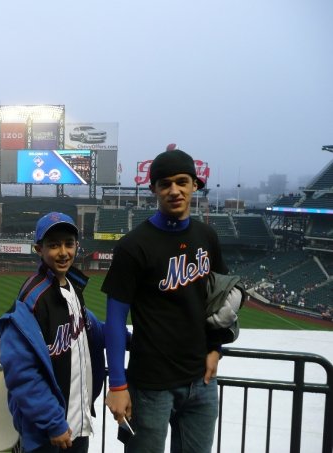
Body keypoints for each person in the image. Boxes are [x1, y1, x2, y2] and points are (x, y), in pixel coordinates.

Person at [102, 146, 228, 453]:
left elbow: (219, 301)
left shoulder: (207, 237)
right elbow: (115, 320)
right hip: (150, 385)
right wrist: (117, 385)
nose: (174, 190)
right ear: (153, 190)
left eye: (182, 181)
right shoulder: (133, 246)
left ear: (195, 185)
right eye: (165, 183)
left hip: (201, 381)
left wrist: (215, 349)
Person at [0, 212, 106, 453]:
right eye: (54, 245)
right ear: (39, 249)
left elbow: (90, 327)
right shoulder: (33, 297)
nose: (63, 252)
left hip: (77, 426)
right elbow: (20, 370)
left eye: (69, 244)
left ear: (77, 245)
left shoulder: (72, 286)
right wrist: (53, 423)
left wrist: (130, 339)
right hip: (50, 433)